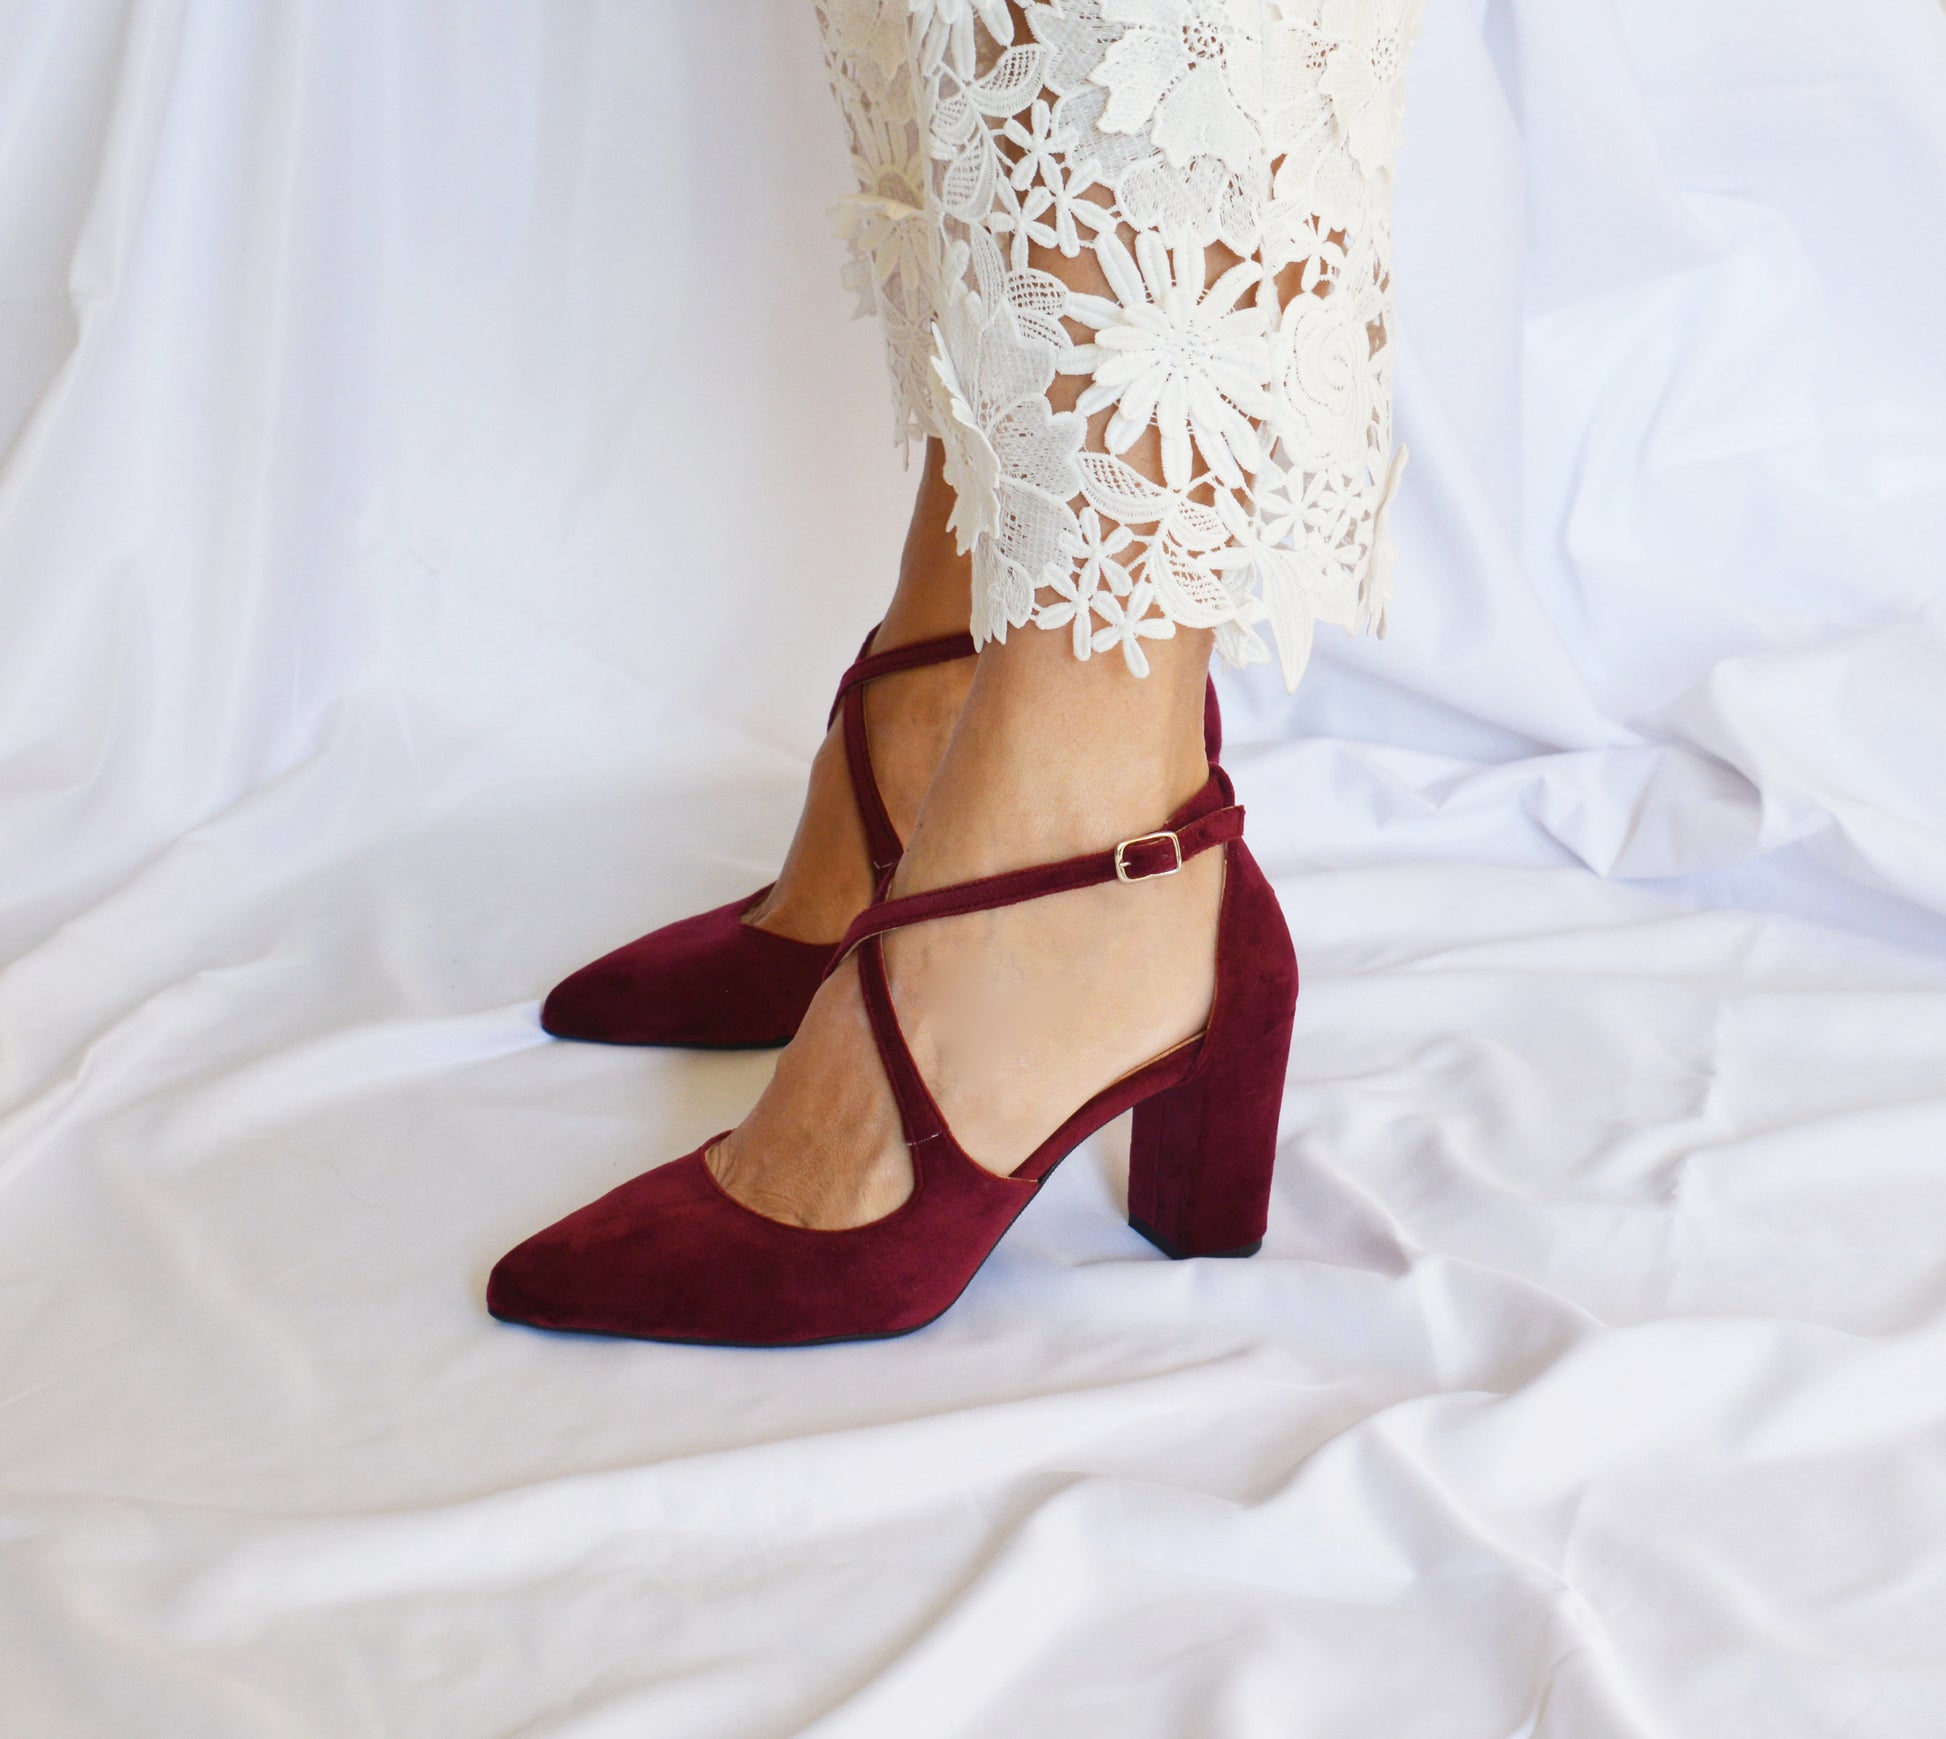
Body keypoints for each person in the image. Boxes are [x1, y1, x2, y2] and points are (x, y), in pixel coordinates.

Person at [486, 0, 1420, 1347]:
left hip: (1106, 844)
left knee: (1152, 38)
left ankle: (1090, 822)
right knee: (970, 44)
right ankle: (959, 676)